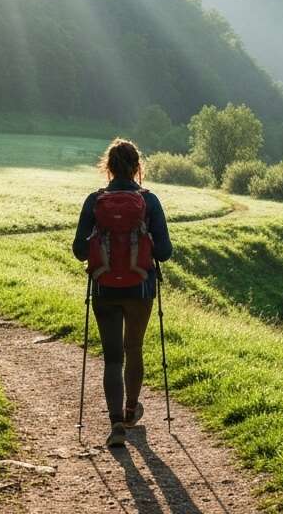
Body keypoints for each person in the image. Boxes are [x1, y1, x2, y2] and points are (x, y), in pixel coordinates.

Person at [72, 138, 172, 448]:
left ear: (109, 167)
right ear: (137, 167)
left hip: (104, 287)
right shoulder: (149, 200)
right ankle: (131, 411)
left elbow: (78, 251)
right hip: (140, 287)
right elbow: (165, 252)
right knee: (134, 349)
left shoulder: (95, 200)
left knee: (112, 358)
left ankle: (116, 424)